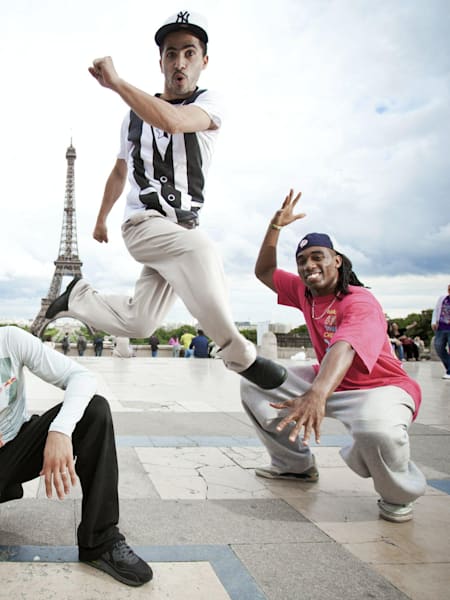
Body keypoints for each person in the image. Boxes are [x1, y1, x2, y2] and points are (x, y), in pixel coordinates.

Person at [45, 10, 285, 392]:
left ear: (204, 61)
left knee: (140, 323)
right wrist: (101, 219)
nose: (179, 62)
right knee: (201, 250)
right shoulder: (131, 118)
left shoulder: (211, 102)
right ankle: (240, 355)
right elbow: (120, 171)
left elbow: (174, 121)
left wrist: (118, 84)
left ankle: (78, 296)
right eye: (171, 54)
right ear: (160, 61)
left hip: (180, 226)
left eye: (189, 53)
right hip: (144, 224)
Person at [240, 189, 426, 523]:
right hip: (331, 384)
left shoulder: (359, 301)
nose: (309, 266)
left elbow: (345, 345)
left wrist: (318, 393)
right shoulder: (304, 291)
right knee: (256, 385)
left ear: (336, 260)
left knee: (375, 432)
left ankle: (398, 495)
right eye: (302, 261)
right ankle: (294, 466)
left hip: (381, 387)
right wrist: (274, 226)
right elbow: (264, 272)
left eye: (317, 257)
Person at [0, 326, 152, 586]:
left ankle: (100, 540)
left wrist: (61, 431)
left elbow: (81, 377)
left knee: (95, 411)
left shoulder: (9, 340)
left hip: (14, 449)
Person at [431, 284, 450, 379]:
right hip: (441, 327)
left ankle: (449, 371)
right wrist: (434, 322)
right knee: (438, 347)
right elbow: (436, 310)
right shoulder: (442, 298)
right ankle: (448, 367)